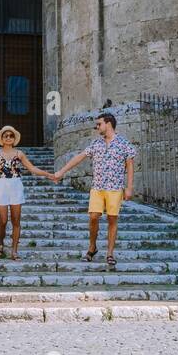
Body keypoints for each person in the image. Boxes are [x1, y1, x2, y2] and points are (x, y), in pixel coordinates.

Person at [54, 112, 135, 269]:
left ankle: (110, 253)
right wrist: (61, 172)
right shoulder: (96, 144)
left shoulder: (124, 144)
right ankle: (92, 247)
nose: (97, 127)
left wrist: (129, 188)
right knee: (93, 217)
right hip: (97, 187)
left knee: (112, 219)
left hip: (115, 188)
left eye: (99, 124)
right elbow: (79, 157)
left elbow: (130, 166)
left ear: (108, 124)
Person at [0, 126, 54, 259]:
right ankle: (0, 245)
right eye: (6, 135)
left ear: (14, 138)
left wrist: (48, 175)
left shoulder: (19, 154)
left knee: (16, 220)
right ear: (2, 138)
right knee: (3, 220)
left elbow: (32, 168)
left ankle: (14, 250)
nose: (8, 138)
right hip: (1, 185)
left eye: (11, 135)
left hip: (16, 186)